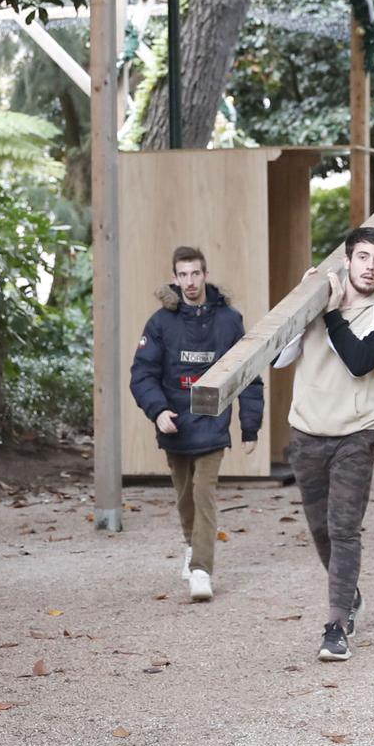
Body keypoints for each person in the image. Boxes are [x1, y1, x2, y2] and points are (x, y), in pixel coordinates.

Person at [273, 226, 374, 662]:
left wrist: (331, 313)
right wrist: (304, 302)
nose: (370, 267)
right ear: (347, 260)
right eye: (363, 257)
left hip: (356, 433)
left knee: (344, 528)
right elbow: (279, 356)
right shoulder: (319, 298)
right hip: (308, 432)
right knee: (320, 531)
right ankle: (350, 592)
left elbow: (358, 361)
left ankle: (336, 626)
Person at [130, 246, 262, 604]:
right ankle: (192, 546)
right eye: (182, 275)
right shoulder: (160, 324)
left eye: (195, 274)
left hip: (212, 422)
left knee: (204, 492)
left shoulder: (229, 321)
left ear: (205, 275)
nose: (189, 282)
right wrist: (158, 412)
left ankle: (202, 569)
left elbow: (247, 373)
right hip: (174, 423)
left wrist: (250, 426)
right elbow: (142, 374)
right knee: (185, 496)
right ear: (175, 278)